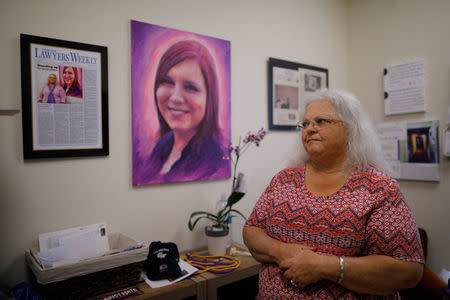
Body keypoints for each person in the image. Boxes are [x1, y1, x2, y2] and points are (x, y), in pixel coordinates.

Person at [243, 89, 424, 299]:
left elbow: (408, 271)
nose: (309, 129)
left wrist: (326, 267)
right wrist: (280, 250)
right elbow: (252, 229)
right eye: (305, 124)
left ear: (350, 129)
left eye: (321, 121)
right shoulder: (284, 180)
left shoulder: (379, 188)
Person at [139, 40, 229, 184]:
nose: (175, 98)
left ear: (209, 99)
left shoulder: (215, 162)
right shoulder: (161, 147)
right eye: (168, 82)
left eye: (190, 87)